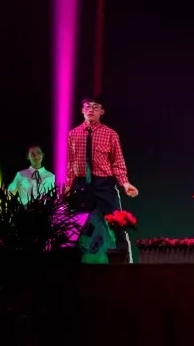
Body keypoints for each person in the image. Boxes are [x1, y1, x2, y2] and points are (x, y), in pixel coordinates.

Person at [66, 96, 140, 261]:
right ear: (82, 110)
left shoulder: (110, 134)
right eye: (87, 106)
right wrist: (68, 186)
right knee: (75, 226)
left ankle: (123, 261)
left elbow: (118, 162)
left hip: (104, 184)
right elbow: (71, 163)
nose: (91, 110)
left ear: (102, 111)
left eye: (95, 107)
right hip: (81, 184)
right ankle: (74, 262)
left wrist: (125, 183)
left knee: (118, 223)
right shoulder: (73, 134)